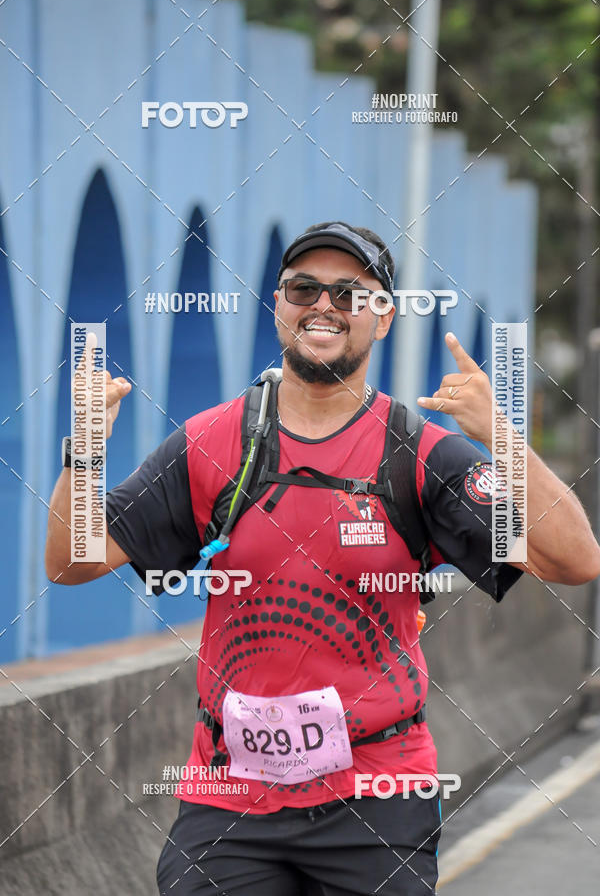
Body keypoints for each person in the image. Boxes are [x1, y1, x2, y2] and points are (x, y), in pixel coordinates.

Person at [45, 221, 600, 896]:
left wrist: (500, 437)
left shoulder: (420, 454)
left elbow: (575, 561)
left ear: (385, 315)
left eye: (350, 292)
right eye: (304, 288)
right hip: (230, 796)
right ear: (278, 303)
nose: (324, 305)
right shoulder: (213, 441)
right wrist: (86, 449)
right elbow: (72, 561)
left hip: (378, 794)